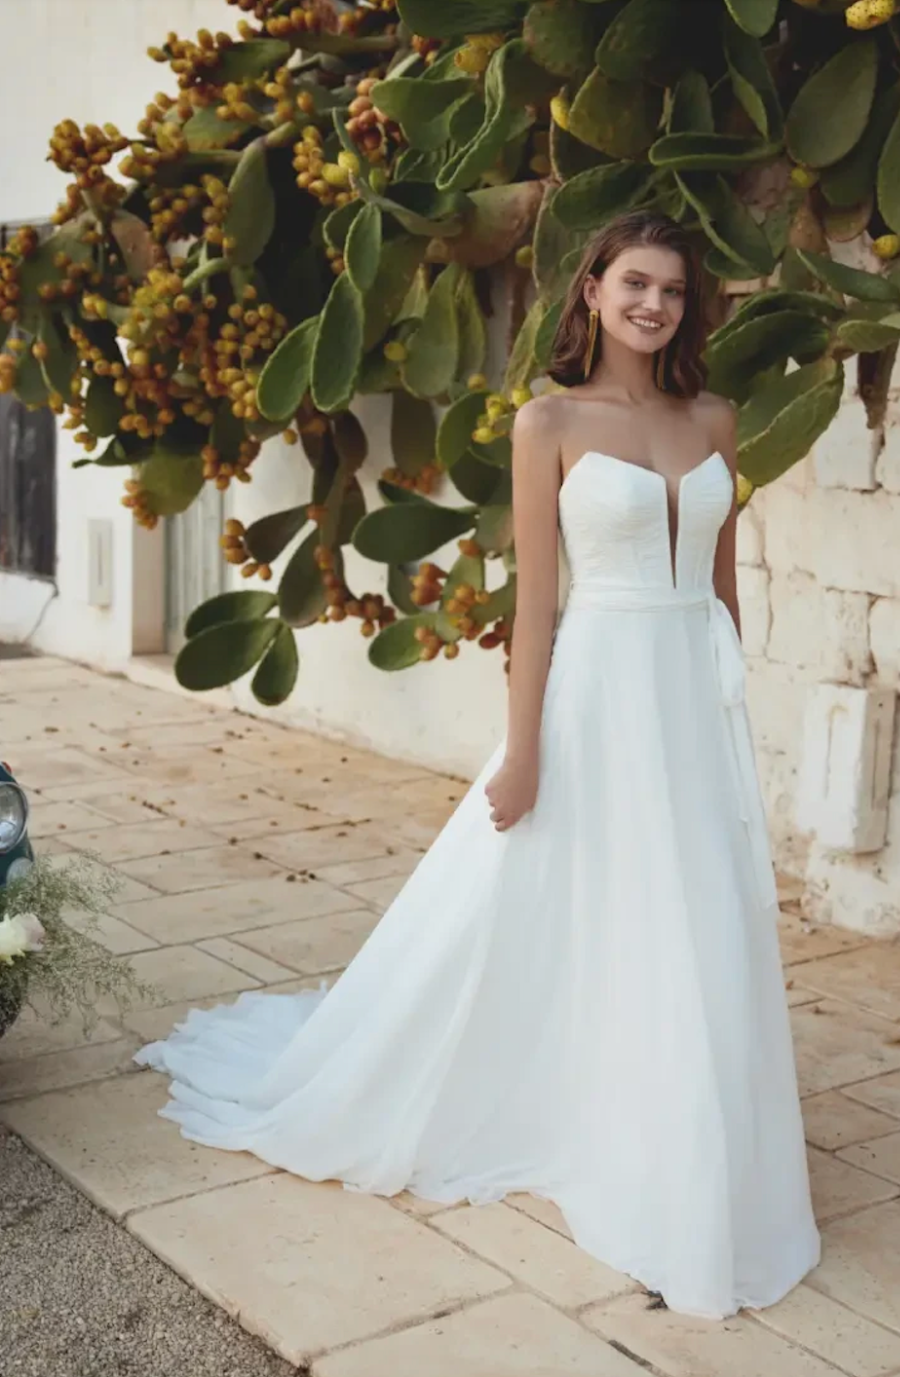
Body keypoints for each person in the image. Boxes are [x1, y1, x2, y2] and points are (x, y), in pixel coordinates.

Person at [135, 210, 821, 1319]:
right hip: (598, 687)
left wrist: (739, 709)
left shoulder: (717, 418)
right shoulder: (548, 420)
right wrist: (522, 752)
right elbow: (537, 609)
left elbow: (725, 586)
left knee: (693, 917)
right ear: (592, 289)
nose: (656, 306)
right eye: (636, 284)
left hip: (694, 695)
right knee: (586, 901)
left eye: (676, 293)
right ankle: (600, 1133)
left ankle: (692, 1137)